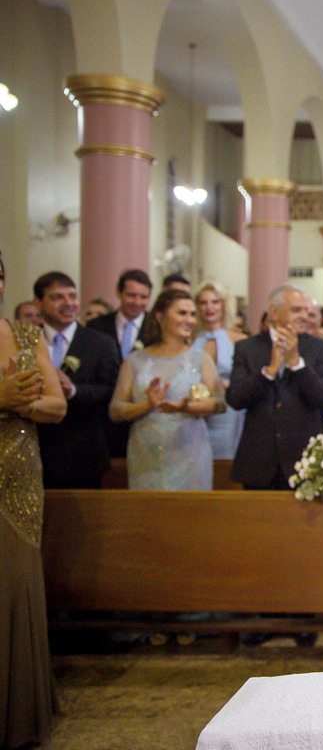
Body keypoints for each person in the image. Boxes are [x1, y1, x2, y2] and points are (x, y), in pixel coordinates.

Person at [0, 251, 66, 749]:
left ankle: (20, 712)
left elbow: (56, 404)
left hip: (19, 476)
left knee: (17, 580)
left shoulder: (25, 336)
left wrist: (20, 402)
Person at [226, 285, 323, 490]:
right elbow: (235, 399)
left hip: (303, 461)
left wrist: (297, 363)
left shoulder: (322, 349)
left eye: (306, 310)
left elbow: (322, 399)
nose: (305, 316)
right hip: (258, 461)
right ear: (274, 312)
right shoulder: (247, 348)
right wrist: (269, 371)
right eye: (297, 310)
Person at [109, 290, 224, 491]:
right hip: (146, 454)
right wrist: (147, 404)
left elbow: (219, 403)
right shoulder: (136, 360)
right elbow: (115, 410)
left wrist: (188, 407)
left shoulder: (200, 359)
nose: (189, 320)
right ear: (160, 317)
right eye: (182, 313)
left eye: (192, 314)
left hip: (189, 454)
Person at [33, 271, 120, 490]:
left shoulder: (100, 343)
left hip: (83, 450)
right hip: (35, 448)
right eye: (57, 297)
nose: (68, 303)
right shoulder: (29, 341)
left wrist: (73, 390)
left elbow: (111, 391)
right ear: (38, 302)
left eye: (72, 296)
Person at [89, 268, 154, 458]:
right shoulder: (97, 326)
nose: (137, 302)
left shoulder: (156, 327)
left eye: (143, 297)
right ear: (119, 293)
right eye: (131, 295)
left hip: (144, 413)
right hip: (105, 414)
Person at [194, 282, 247, 460]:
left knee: (225, 460)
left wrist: (229, 385)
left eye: (215, 302)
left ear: (224, 305)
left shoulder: (239, 340)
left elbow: (248, 380)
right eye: (203, 302)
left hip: (229, 411)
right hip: (194, 410)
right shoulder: (188, 340)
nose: (209, 307)